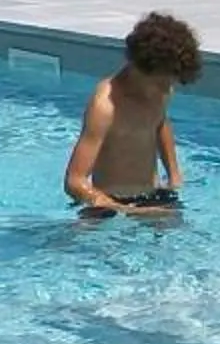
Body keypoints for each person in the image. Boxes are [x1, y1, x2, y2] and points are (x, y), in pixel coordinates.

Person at [63, 12, 203, 218]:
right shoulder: (106, 105)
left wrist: (174, 175)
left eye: (170, 83)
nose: (166, 91)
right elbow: (75, 182)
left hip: (153, 195)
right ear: (139, 68)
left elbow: (160, 122)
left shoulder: (159, 92)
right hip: (108, 201)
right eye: (161, 83)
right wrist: (123, 209)